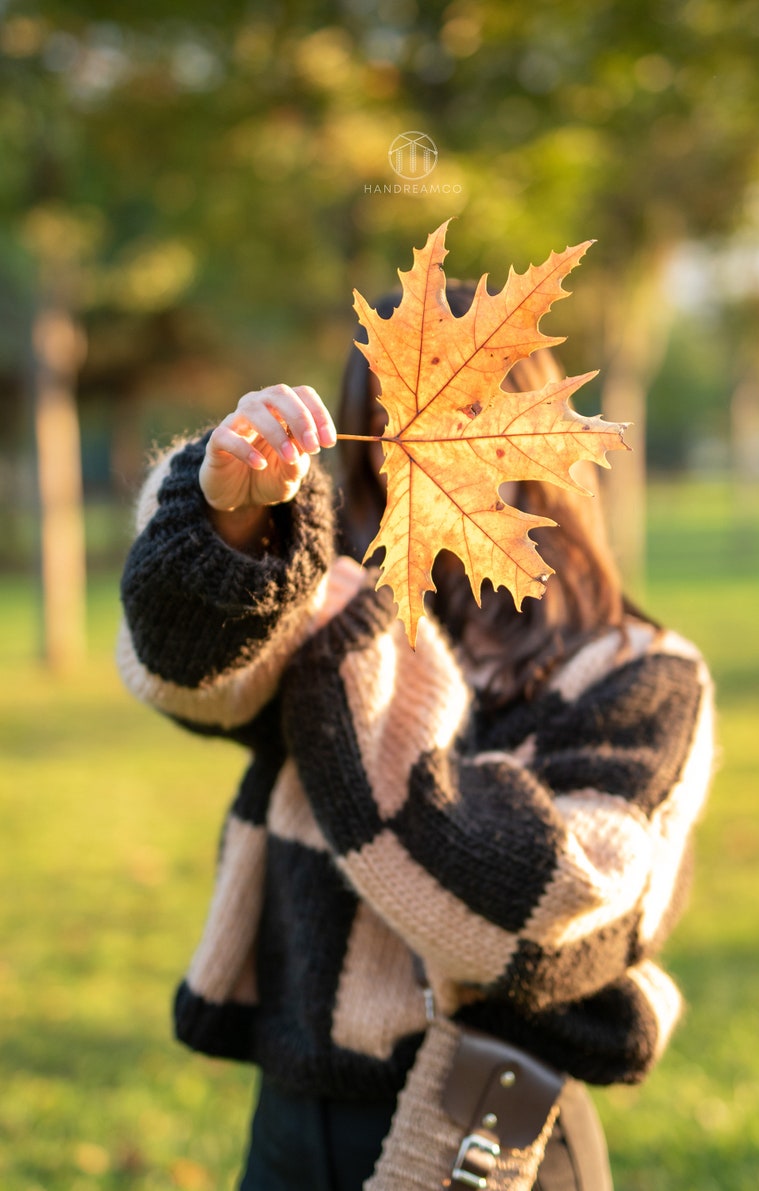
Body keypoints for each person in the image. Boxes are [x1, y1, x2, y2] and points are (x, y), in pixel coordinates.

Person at [117, 285, 714, 1191]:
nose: (414, 454)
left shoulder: (645, 673)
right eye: (384, 421)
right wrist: (233, 518)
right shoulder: (314, 592)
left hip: (495, 1129)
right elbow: (188, 676)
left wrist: (345, 631)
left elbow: (554, 899)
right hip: (292, 1113)